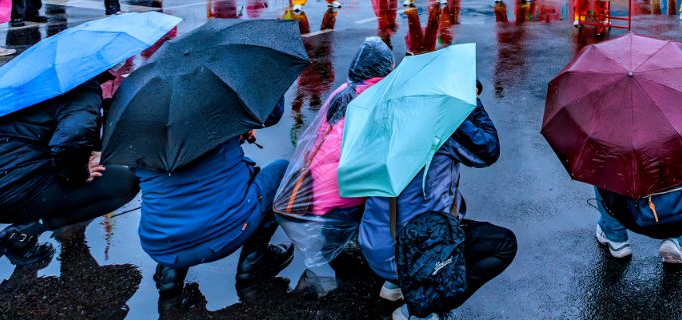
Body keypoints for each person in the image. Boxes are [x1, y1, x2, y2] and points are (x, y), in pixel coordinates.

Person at [359, 85, 515, 320]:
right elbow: (488, 148)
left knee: (429, 209)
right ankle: (419, 308)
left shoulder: (384, 116)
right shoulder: (441, 124)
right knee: (503, 244)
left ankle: (395, 285)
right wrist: (472, 101)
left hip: (375, 244)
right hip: (409, 255)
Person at [135, 101, 292, 298]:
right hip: (227, 235)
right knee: (282, 171)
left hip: (160, 245)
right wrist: (239, 128)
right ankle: (252, 264)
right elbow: (271, 112)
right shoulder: (219, 101)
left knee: (171, 191)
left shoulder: (137, 120)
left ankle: (170, 273)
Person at [0, 71, 139, 268]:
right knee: (124, 182)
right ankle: (21, 233)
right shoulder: (81, 86)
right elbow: (72, 138)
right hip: (6, 192)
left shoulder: (30, 81)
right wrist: (80, 173)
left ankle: (27, 230)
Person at [275, 38, 392, 298]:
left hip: (310, 184)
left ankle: (325, 259)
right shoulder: (375, 103)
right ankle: (330, 274)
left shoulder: (344, 91)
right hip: (334, 198)